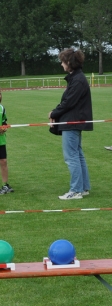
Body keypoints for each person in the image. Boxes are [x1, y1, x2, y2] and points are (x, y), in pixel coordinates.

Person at [49, 48, 92, 200]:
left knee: (72, 157)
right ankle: (84, 187)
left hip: (72, 122)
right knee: (78, 155)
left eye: (62, 62)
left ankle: (76, 190)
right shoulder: (76, 78)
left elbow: (68, 102)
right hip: (72, 121)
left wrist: (53, 113)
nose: (61, 65)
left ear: (69, 63)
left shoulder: (78, 80)